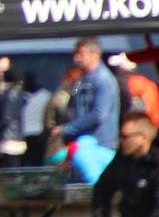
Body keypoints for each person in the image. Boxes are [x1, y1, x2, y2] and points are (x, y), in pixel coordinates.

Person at [51, 39, 119, 183]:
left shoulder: (103, 80)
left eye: (81, 54)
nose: (76, 58)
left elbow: (99, 114)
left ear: (95, 54)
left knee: (95, 186)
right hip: (82, 145)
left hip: (99, 146)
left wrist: (67, 129)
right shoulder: (84, 80)